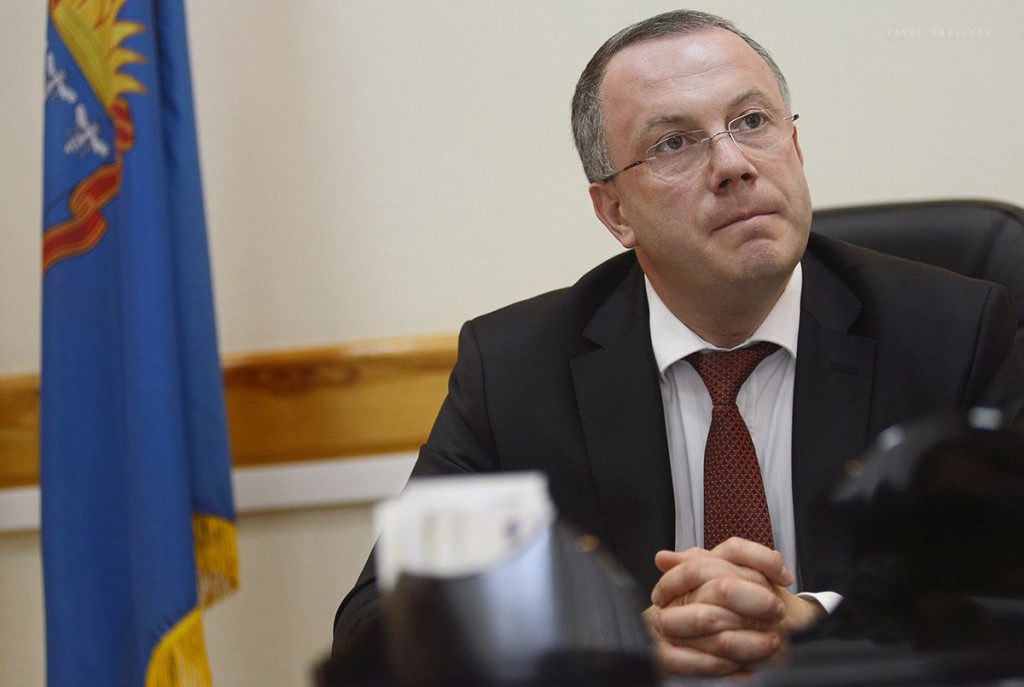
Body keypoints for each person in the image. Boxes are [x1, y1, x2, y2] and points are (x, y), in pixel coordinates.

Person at [333, 9, 1024, 677]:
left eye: (752, 122)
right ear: (616, 212)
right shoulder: (514, 371)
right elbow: (375, 631)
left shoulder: (953, 333)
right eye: (674, 144)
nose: (733, 163)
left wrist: (816, 620)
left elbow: (1007, 598)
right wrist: (610, 643)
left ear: (795, 147)